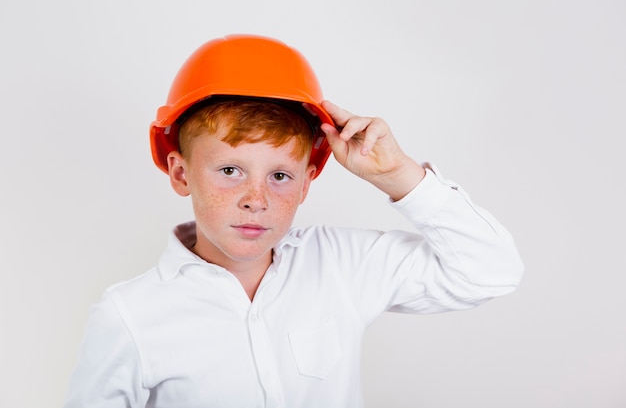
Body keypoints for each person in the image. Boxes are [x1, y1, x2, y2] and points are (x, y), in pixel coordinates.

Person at [63, 34, 524, 408]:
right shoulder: (129, 315)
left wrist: (399, 175)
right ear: (181, 173)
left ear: (307, 183)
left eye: (280, 176)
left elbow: (491, 272)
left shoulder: (342, 265)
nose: (256, 199)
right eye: (229, 170)